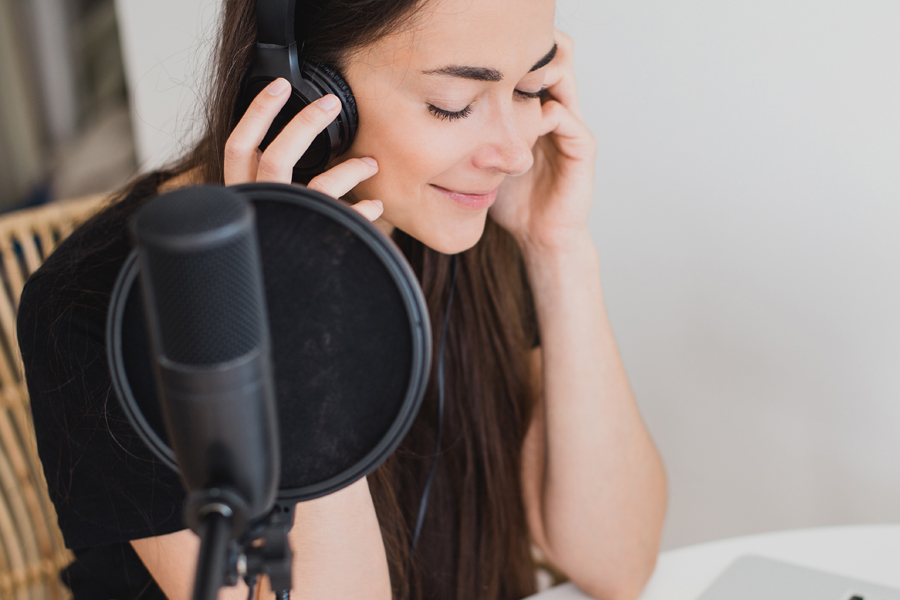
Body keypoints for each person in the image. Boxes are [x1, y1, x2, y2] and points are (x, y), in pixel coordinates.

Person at [17, 0, 668, 599]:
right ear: (307, 89)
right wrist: (300, 293)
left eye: (531, 86)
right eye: (453, 102)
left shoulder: (467, 215)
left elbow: (618, 560)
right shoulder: (99, 306)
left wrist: (557, 249)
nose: (515, 155)